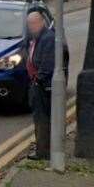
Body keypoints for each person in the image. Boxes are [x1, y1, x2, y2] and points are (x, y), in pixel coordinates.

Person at [22, 8, 68, 159]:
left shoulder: (48, 38)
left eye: (34, 22)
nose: (31, 26)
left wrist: (37, 81)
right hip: (37, 84)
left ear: (42, 22)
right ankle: (43, 149)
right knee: (39, 119)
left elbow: (48, 64)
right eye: (29, 23)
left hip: (43, 86)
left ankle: (43, 152)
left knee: (42, 120)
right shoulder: (36, 37)